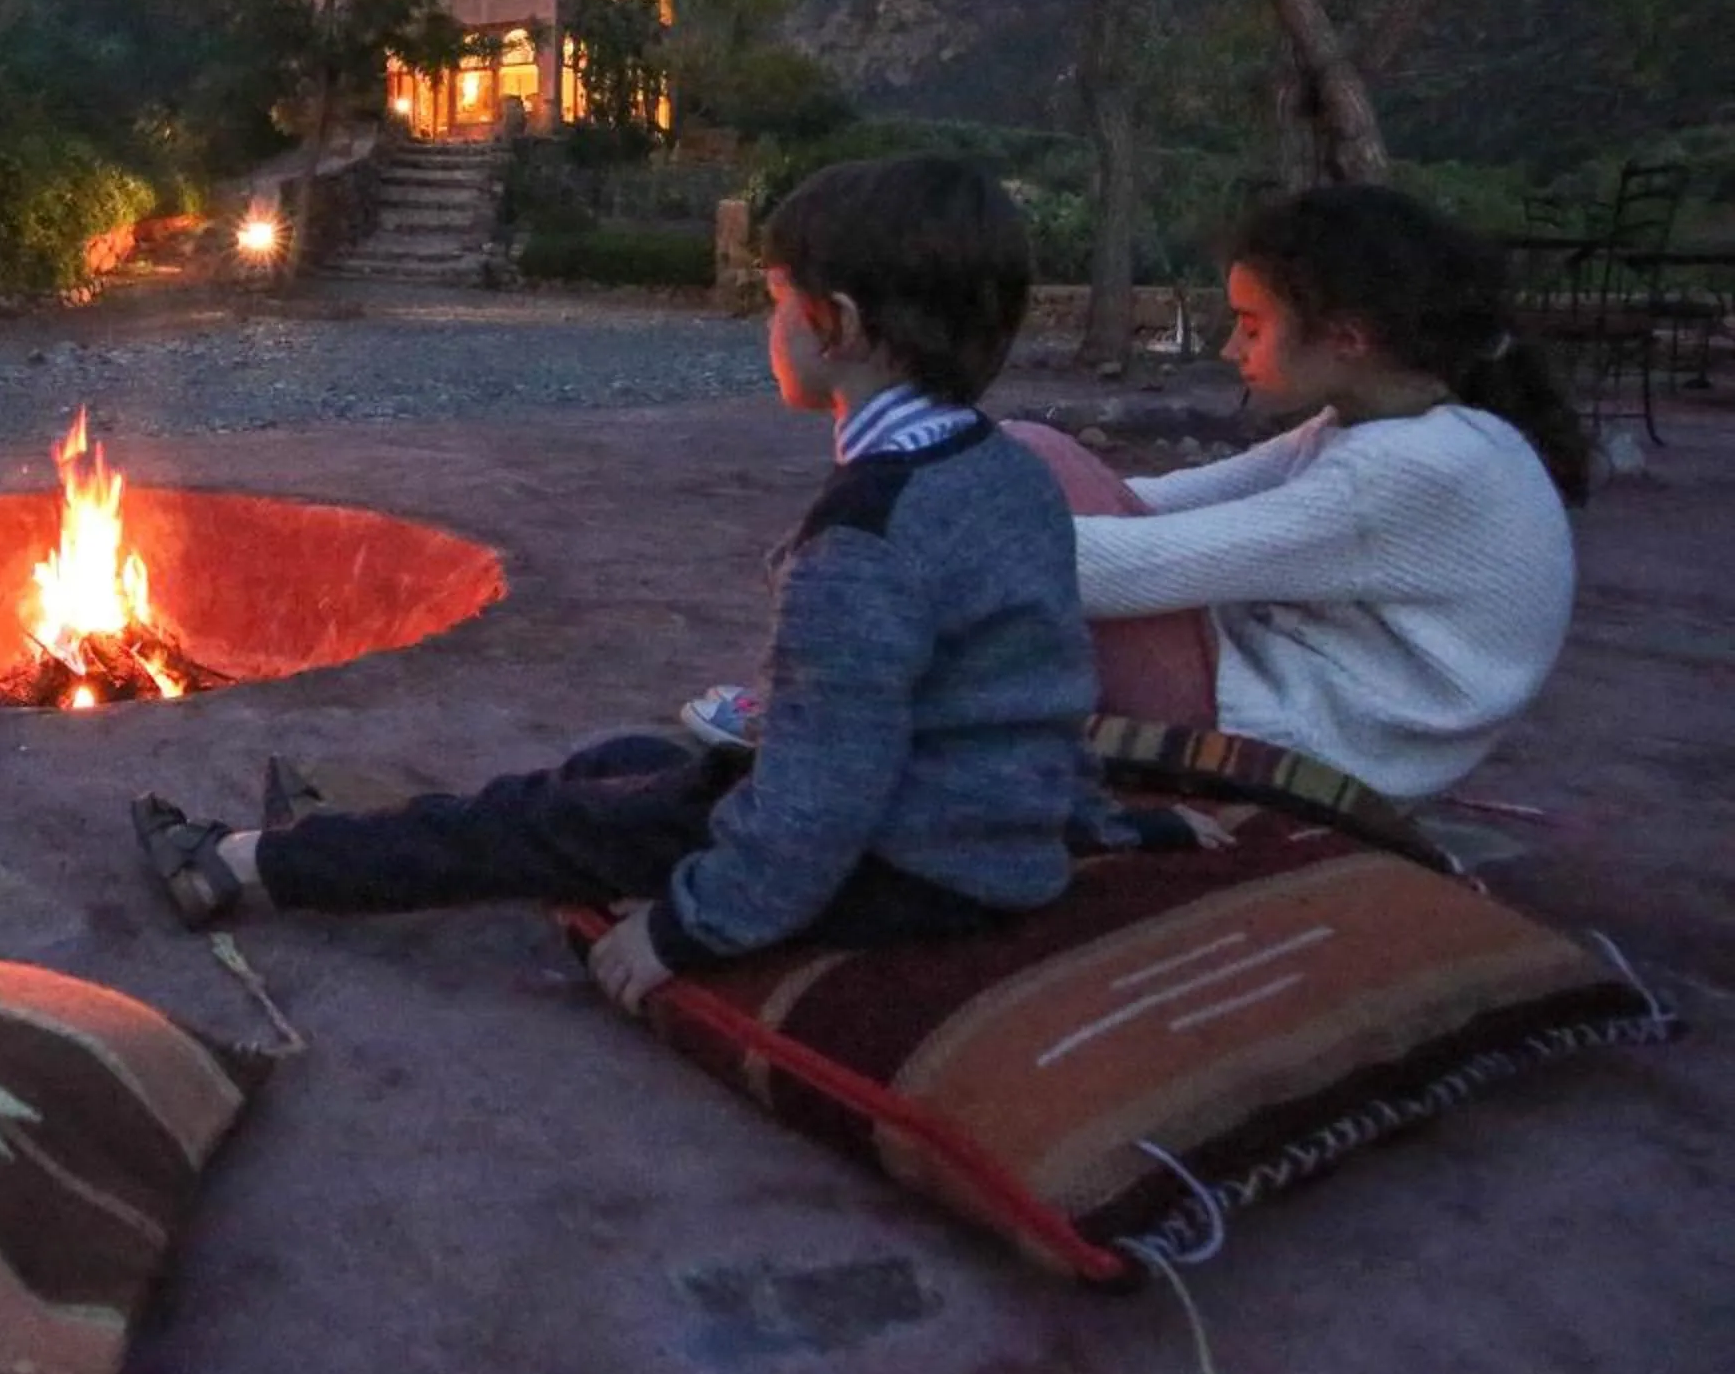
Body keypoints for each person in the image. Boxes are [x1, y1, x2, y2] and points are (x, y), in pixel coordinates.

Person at [132, 154, 1187, 1013]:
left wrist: (687, 927)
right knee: (623, 764)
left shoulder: (866, 535)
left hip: (906, 867)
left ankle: (249, 862)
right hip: (989, 834)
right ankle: (343, 832)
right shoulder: (1010, 470)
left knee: (541, 823)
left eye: (776, 304)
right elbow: (1038, 687)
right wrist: (1109, 819)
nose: (766, 329)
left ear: (838, 325)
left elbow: (818, 805)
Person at [1003, 184, 1585, 804]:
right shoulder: (1391, 427)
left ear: (1348, 338)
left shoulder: (1412, 468)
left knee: (1023, 468)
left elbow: (1122, 567)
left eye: (1251, 327)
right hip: (1278, 688)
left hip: (1298, 742)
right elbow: (1168, 498)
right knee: (1033, 458)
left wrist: (924, 524)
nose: (1232, 349)